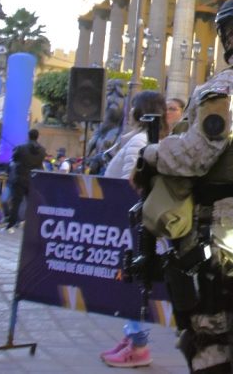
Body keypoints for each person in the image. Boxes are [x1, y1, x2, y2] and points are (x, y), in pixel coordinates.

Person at [136, 0, 233, 373]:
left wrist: (150, 153)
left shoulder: (227, 86)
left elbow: (197, 155)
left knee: (206, 327)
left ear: (230, 35)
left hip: (214, 223)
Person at [99, 90, 167, 368]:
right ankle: (131, 337)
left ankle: (138, 344)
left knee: (133, 282)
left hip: (130, 225)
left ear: (140, 111)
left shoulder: (140, 140)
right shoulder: (143, 138)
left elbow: (131, 183)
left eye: (132, 107)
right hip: (132, 225)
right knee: (132, 281)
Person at [4, 128, 46, 232]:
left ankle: (11, 225)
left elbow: (14, 159)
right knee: (32, 203)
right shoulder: (42, 150)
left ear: (28, 136)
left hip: (21, 178)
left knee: (16, 202)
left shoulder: (21, 148)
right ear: (37, 137)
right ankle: (31, 224)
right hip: (33, 179)